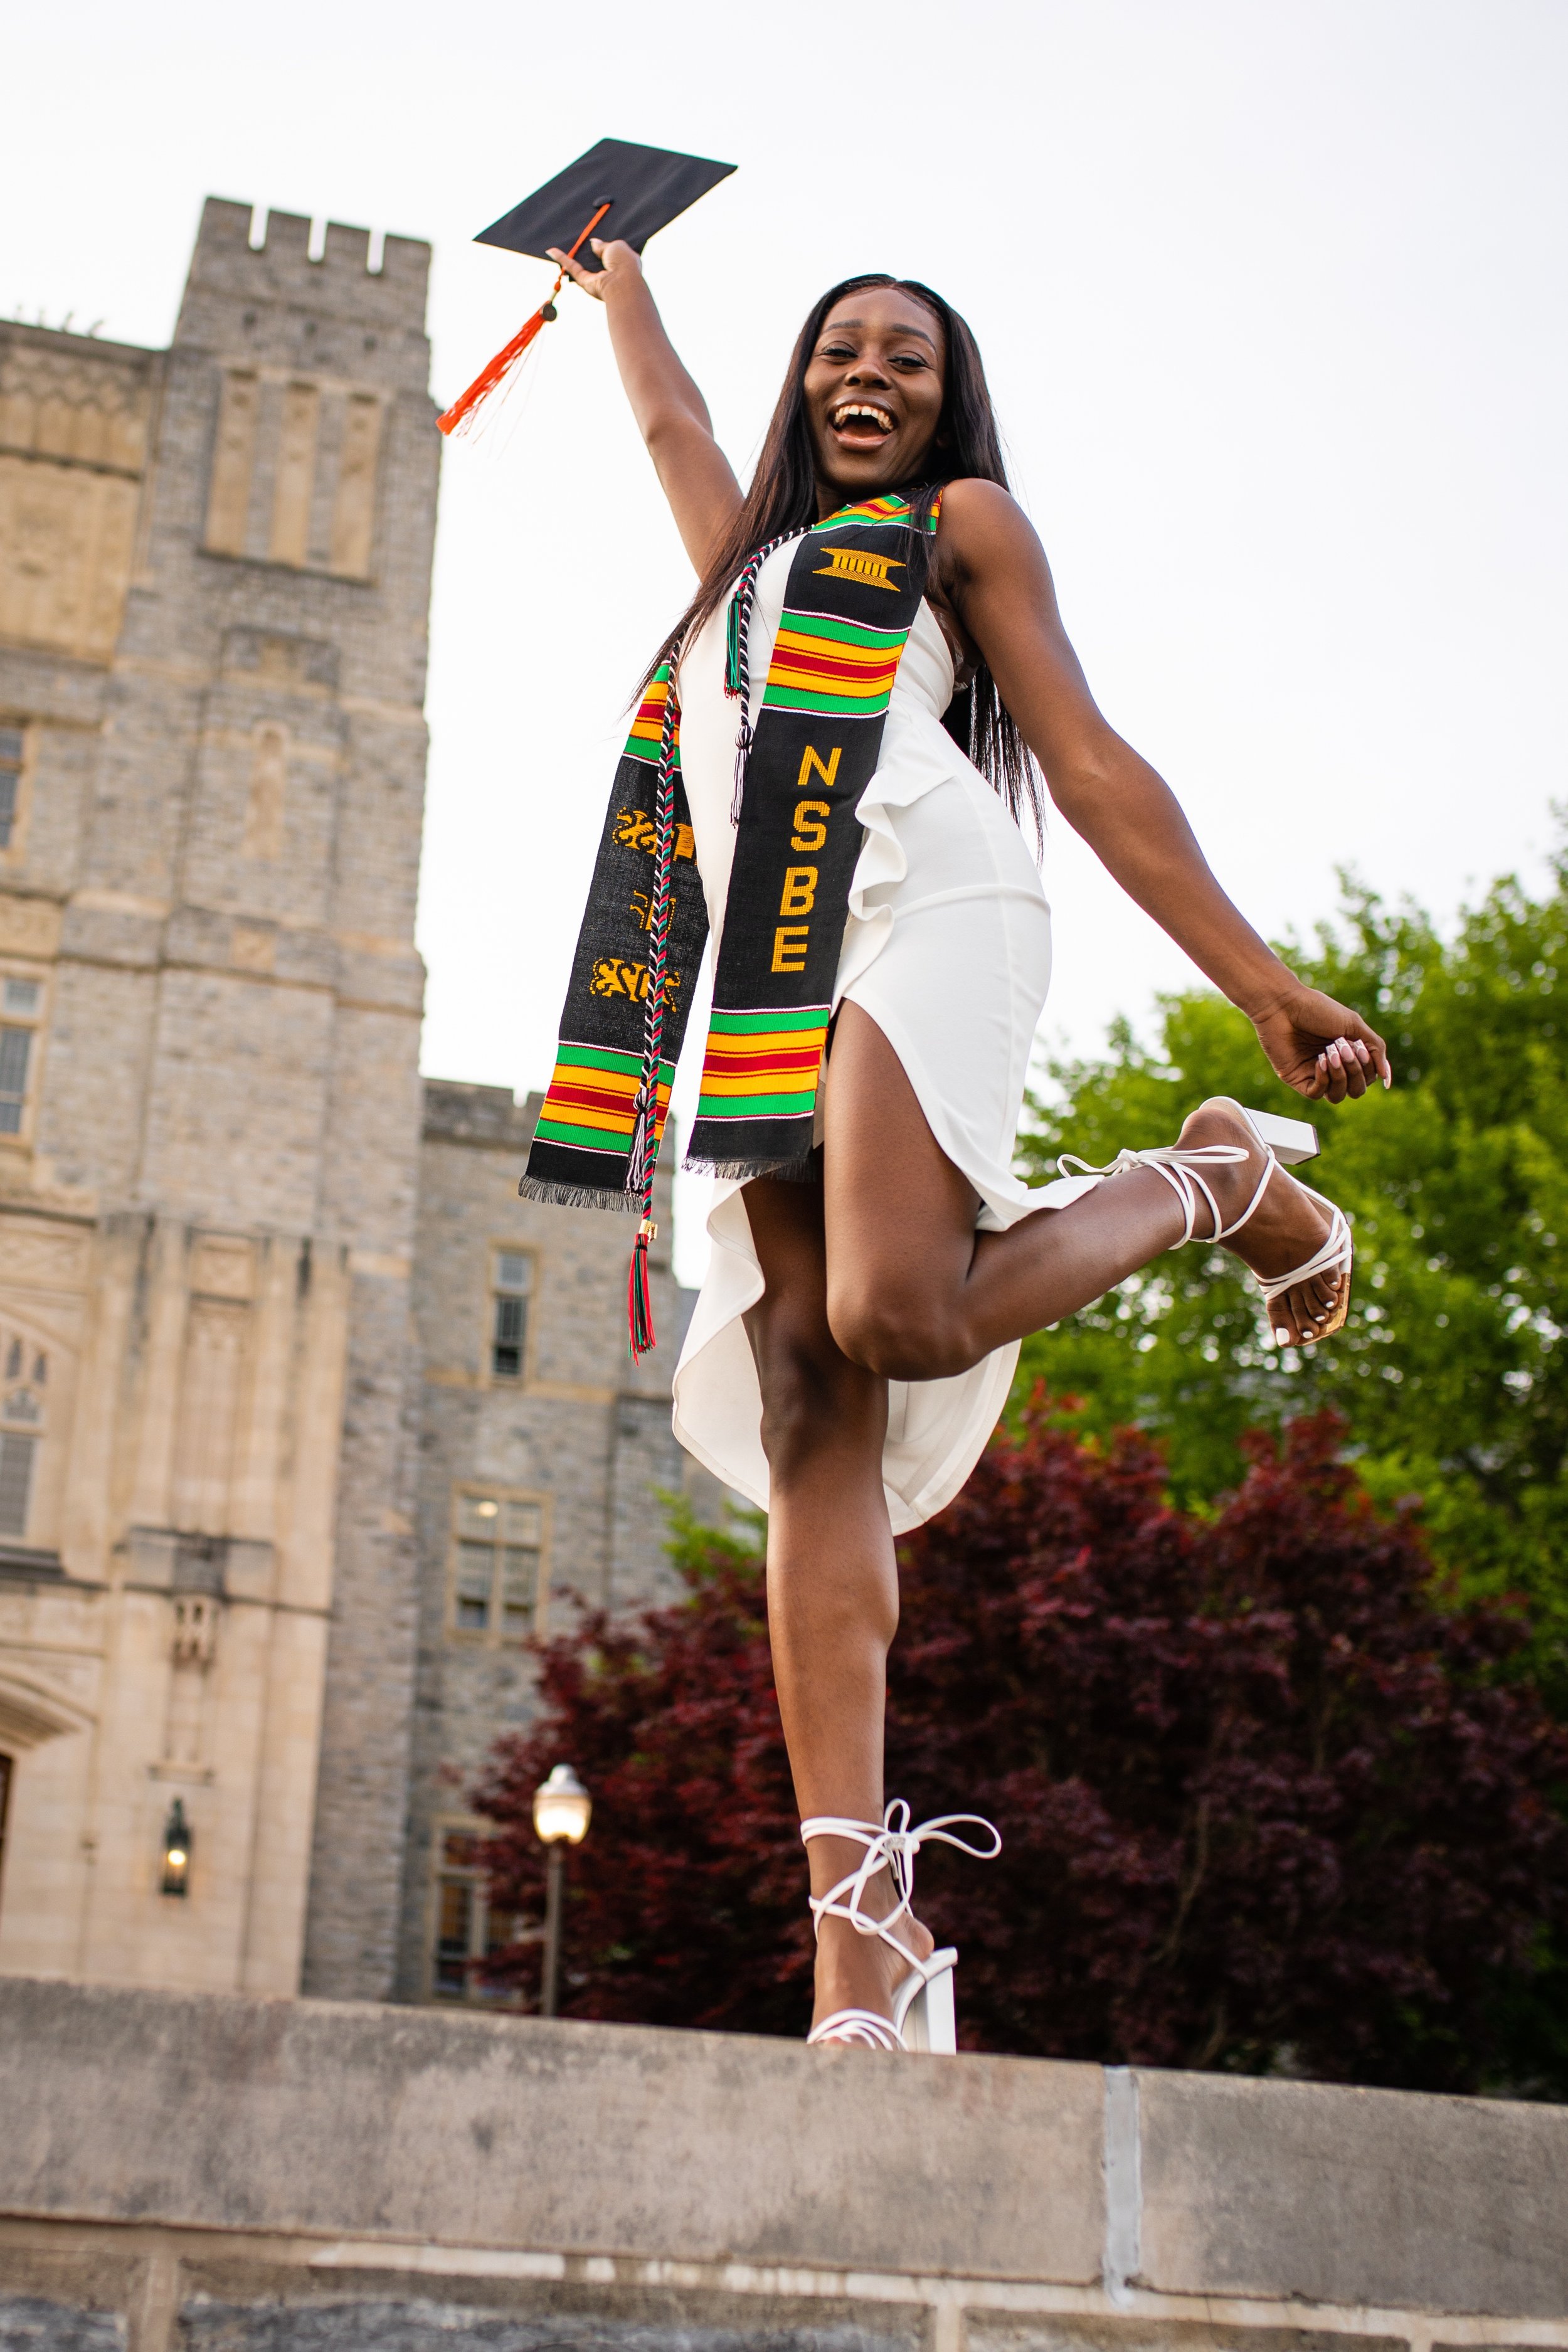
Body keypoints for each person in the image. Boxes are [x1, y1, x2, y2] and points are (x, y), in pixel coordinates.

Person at [545, 237, 1390, 2051]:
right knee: (803, 1415)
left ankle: (1214, 1180)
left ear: (945, 399)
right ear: (801, 384)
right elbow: (671, 415)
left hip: (932, 908)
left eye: (906, 359)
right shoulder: (737, 571)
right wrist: (612, 286)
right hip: (768, 978)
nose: (868, 374)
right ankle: (859, 1941)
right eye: (838, 350)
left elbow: (1081, 759)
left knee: (903, 1312)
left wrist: (1258, 985)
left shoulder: (957, 531)